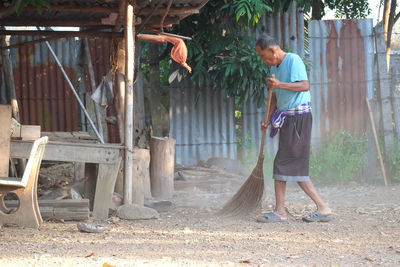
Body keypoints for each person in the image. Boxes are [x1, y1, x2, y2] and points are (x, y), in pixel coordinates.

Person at [255, 35, 332, 223]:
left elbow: (304, 86)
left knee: (292, 167)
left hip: (299, 119)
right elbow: (274, 96)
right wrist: (268, 118)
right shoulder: (275, 67)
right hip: (289, 120)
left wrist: (279, 84)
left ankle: (321, 208)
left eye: (264, 56)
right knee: (285, 165)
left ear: (273, 50)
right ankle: (282, 211)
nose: (263, 61)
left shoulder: (293, 60)